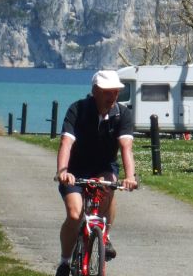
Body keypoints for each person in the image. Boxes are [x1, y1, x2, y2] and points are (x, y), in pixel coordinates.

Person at [54, 70, 138, 276]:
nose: (113, 97)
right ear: (95, 91)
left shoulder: (122, 114)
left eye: (116, 92)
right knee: (74, 214)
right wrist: (63, 171)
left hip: (104, 167)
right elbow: (66, 142)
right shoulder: (78, 110)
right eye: (108, 92)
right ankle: (65, 262)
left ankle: (104, 235)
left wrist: (130, 176)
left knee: (109, 185)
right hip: (75, 169)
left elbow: (126, 147)